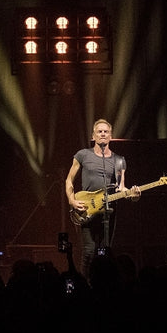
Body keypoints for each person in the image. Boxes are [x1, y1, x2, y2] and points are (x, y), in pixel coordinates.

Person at [65, 119, 140, 278]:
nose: (103, 134)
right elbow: (69, 180)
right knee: (89, 251)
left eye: (106, 131)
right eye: (99, 131)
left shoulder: (119, 160)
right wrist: (72, 200)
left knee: (105, 251)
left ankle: (104, 285)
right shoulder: (83, 155)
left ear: (111, 135)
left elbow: (121, 187)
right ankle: (85, 284)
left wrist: (132, 195)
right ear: (94, 135)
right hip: (87, 209)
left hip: (108, 211)